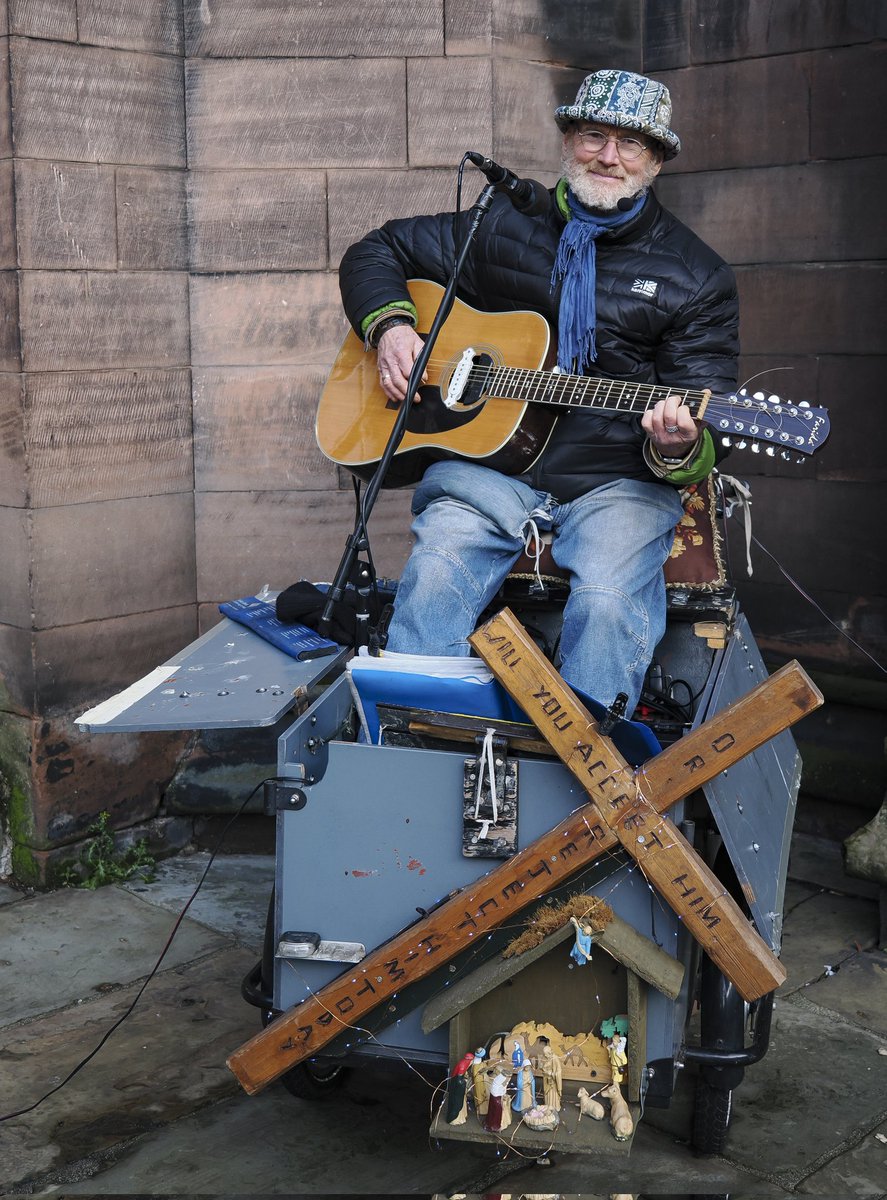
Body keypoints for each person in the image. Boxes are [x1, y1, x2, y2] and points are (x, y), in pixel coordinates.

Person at [338, 68, 739, 715]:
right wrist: (389, 327)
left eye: (630, 144)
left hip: (617, 481)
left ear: (656, 161)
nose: (608, 156)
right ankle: (408, 740)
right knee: (437, 570)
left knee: (608, 604)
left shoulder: (693, 276)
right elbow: (376, 250)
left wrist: (677, 445)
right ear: (566, 140)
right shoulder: (500, 224)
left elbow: (710, 416)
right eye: (592, 134)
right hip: (489, 470)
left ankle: (582, 767)